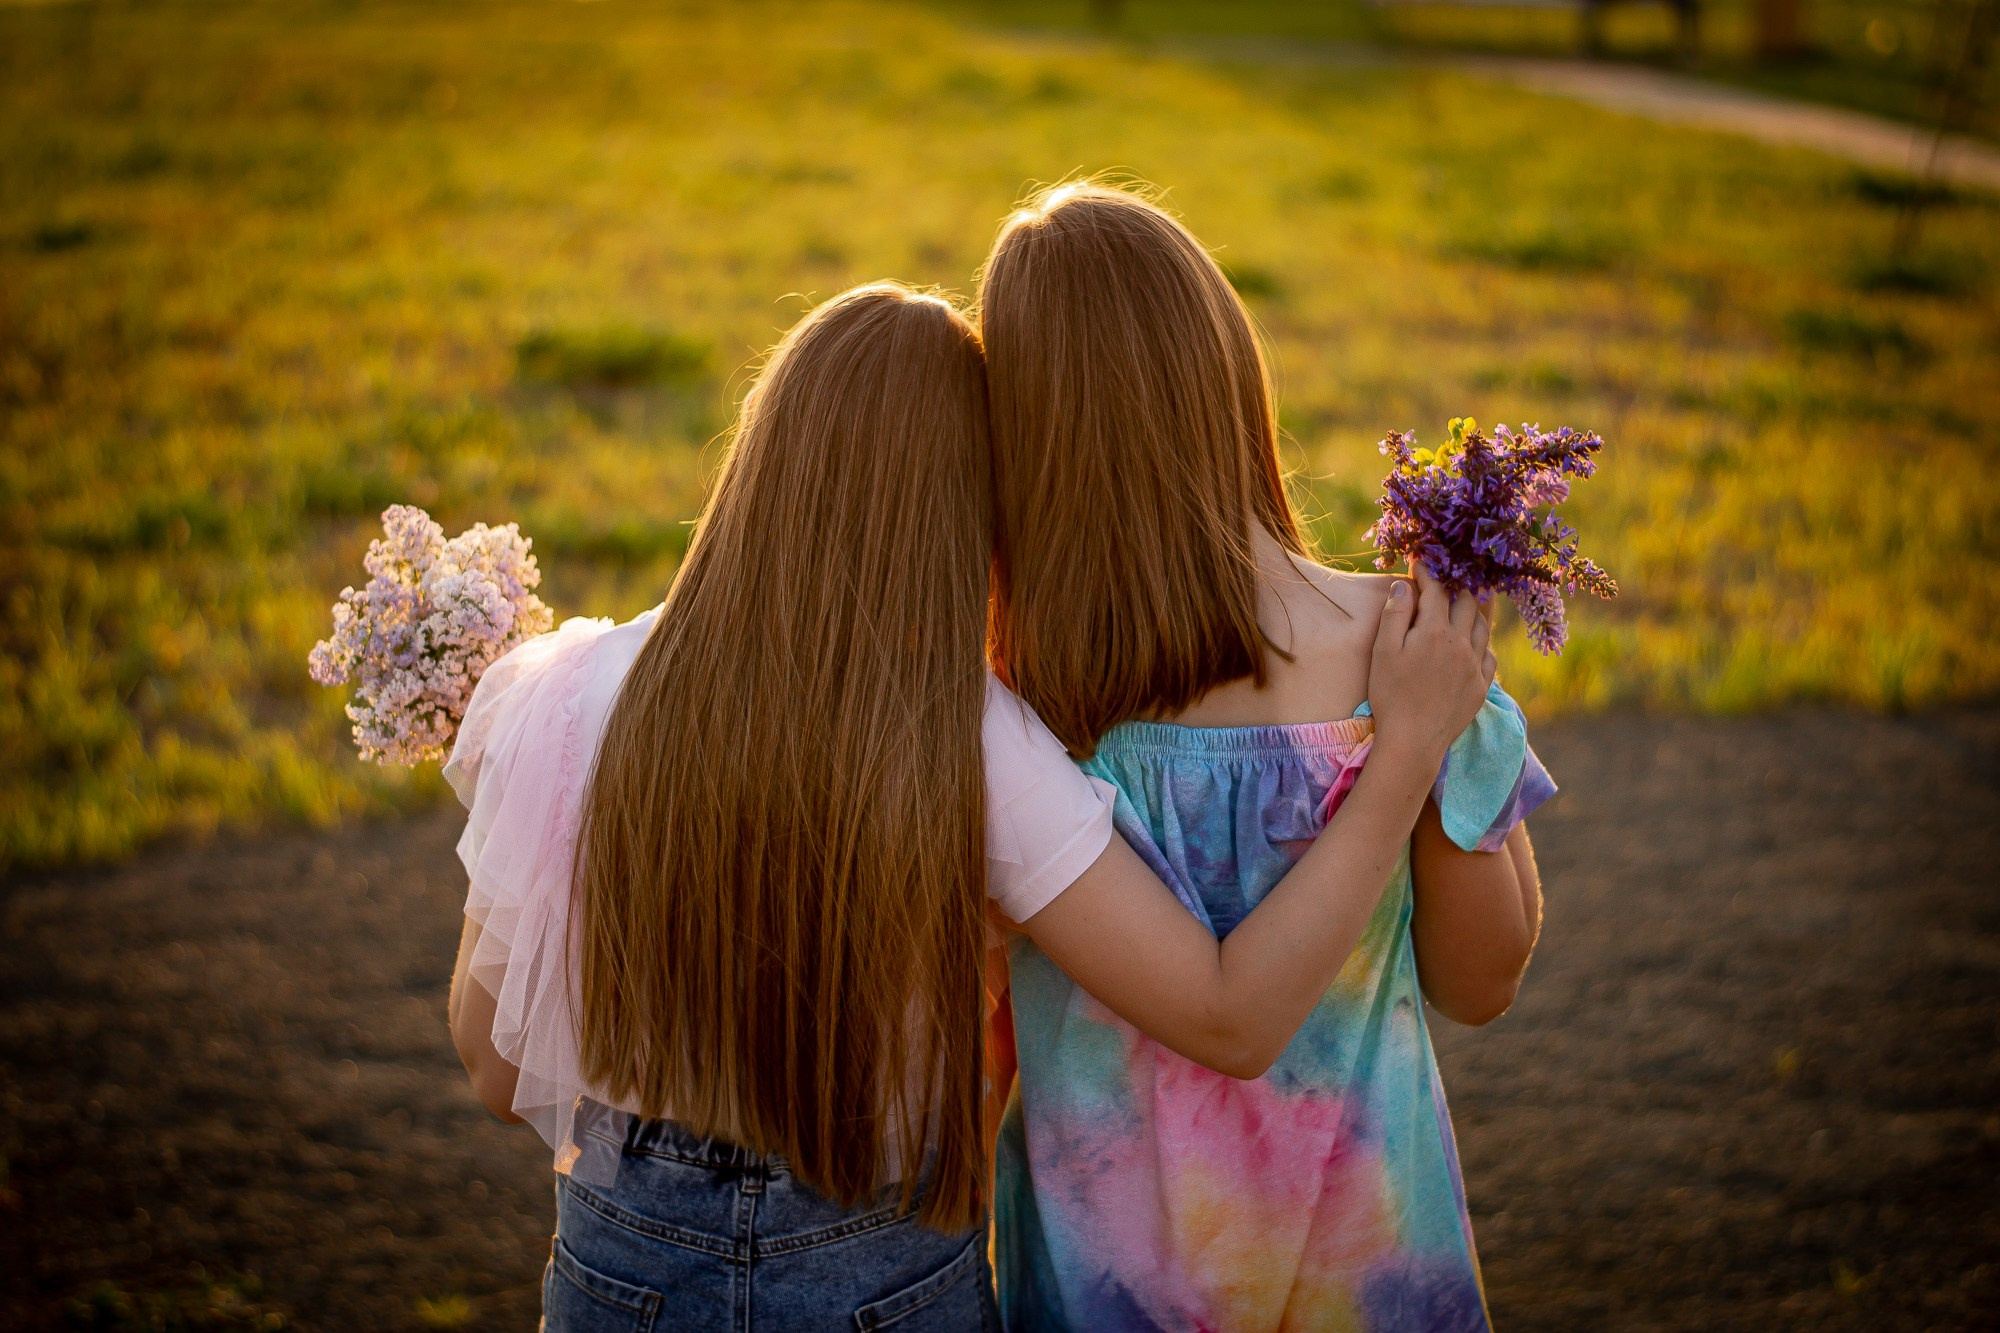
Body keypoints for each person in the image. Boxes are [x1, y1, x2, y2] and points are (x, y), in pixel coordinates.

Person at [441, 281, 1494, 1330]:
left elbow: (494, 1064)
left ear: (759, 458)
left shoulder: (567, 689)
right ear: (967, 506)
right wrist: (1401, 756)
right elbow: (1227, 1014)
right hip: (879, 1266)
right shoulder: (975, 739)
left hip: (619, 1259)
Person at [979, 183, 1553, 1332]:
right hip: (1370, 1269)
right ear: (1230, 377)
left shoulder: (1022, 712)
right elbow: (1481, 981)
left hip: (1109, 1293)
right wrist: (1431, 744)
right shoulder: (1407, 654)